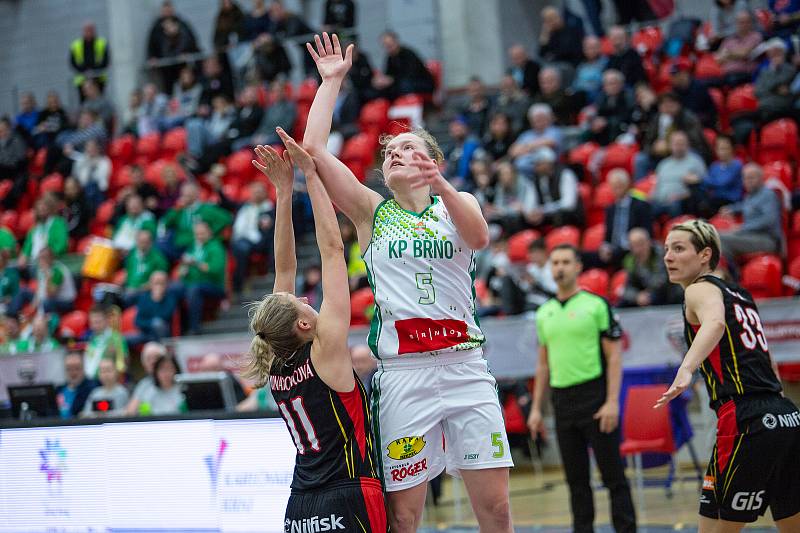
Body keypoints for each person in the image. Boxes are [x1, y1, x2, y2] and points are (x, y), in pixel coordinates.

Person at [301, 33, 513, 532]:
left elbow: (478, 238)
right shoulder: (373, 211)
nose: (394, 153)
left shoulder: (457, 205)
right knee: (403, 514)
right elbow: (312, 149)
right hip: (404, 375)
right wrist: (331, 82)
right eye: (390, 150)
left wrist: (442, 183)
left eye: (407, 147)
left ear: (432, 161)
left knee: (498, 509)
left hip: (466, 368)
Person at [245, 130, 387, 531]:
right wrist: (310, 175)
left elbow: (284, 269)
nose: (306, 299)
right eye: (303, 303)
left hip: (300, 505)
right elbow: (332, 250)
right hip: (348, 492)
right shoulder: (324, 349)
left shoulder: (274, 358)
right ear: (304, 324)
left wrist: (283, 192)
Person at [657, 219, 800, 531]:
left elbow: (715, 324)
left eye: (678, 249)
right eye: (667, 249)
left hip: (745, 417)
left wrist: (685, 370)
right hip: (785, 415)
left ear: (705, 255)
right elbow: (767, 358)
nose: (668, 256)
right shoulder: (740, 293)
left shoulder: (698, 290)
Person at [528, 244, 636, 533]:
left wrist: (612, 402)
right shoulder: (544, 313)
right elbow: (543, 365)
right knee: (576, 482)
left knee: (614, 478)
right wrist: (537, 409)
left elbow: (614, 356)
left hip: (595, 398)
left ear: (578, 267)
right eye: (555, 263)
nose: (559, 268)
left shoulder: (596, 305)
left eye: (565, 262)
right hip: (563, 403)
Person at [172, 220, 227, 335]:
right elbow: (181, 271)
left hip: (213, 285)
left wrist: (195, 263)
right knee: (173, 289)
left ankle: (195, 328)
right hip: (191, 283)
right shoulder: (192, 247)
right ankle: (177, 329)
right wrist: (184, 270)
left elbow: (214, 270)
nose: (199, 236)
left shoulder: (215, 247)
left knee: (194, 290)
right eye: (197, 234)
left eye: (202, 233)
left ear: (209, 233)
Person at [718, 163, 783, 260]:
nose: (747, 181)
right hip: (750, 235)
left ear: (761, 179)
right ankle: (730, 268)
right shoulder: (750, 195)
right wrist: (731, 209)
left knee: (720, 240)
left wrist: (743, 228)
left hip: (767, 239)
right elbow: (745, 206)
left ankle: (731, 272)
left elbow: (769, 220)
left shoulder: (768, 195)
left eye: (751, 178)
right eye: (745, 178)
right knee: (716, 235)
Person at [229, 181, 275, 296]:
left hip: (261, 241)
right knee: (240, 248)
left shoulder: (270, 208)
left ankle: (271, 271)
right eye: (254, 192)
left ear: (265, 194)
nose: (257, 194)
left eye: (260, 192)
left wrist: (268, 224)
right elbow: (227, 203)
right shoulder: (244, 206)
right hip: (242, 238)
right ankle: (239, 284)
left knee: (271, 241)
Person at [619, 227, 678, 307]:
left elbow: (661, 281)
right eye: (633, 246)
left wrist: (646, 294)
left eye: (640, 244)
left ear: (649, 242)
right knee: (623, 303)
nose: (637, 250)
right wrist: (637, 296)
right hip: (645, 296)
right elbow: (627, 289)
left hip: (667, 294)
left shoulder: (662, 254)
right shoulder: (631, 260)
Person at [373, 31, 435, 100]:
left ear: (396, 41)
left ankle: (407, 107)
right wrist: (382, 80)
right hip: (404, 82)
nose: (388, 47)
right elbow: (388, 74)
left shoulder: (408, 54)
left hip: (422, 82)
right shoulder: (390, 58)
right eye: (386, 45)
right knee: (383, 88)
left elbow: (410, 75)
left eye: (390, 44)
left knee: (404, 85)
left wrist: (392, 80)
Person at [129, 270, 177, 345]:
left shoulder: (170, 298)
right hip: (146, 334)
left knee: (158, 323)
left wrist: (157, 300)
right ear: (150, 284)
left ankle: (163, 351)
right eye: (156, 283)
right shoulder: (144, 298)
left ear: (166, 284)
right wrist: (150, 323)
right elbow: (138, 321)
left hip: (163, 336)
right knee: (124, 339)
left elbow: (165, 317)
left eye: (162, 283)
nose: (159, 286)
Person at [84, 304, 128, 379]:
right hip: (89, 380)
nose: (94, 326)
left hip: (108, 380)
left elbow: (123, 364)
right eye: (92, 322)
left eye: (98, 322)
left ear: (107, 320)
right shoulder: (91, 338)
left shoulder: (117, 339)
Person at [125, 341, 166, 415]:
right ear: (144, 364)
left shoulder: (177, 381)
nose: (153, 361)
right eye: (148, 359)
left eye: (156, 357)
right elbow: (130, 412)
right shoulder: (143, 384)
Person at [69, 22, 110, 96]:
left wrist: (94, 71)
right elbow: (72, 63)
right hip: (81, 79)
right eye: (86, 30)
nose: (89, 32)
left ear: (94, 31)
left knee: (99, 101)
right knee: (84, 104)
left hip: (99, 78)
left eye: (91, 30)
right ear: (83, 31)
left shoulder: (101, 43)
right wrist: (84, 71)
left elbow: (106, 61)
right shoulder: (76, 45)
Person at [56, 351, 99, 419]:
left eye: (77, 368)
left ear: (83, 368)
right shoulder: (58, 390)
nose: (73, 372)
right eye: (69, 368)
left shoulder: (93, 388)